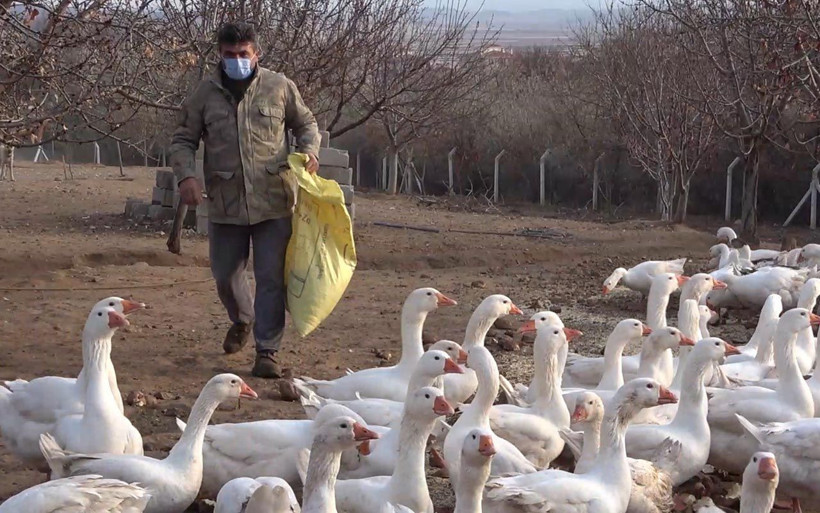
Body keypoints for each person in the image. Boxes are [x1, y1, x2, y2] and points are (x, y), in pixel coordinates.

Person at [169, 22, 320, 378]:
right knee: (225, 274)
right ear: (219, 54)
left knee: (271, 278)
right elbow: (182, 140)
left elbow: (306, 124)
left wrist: (309, 150)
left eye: (243, 54)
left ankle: (267, 350)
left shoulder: (279, 87)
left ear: (256, 54)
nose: (236, 60)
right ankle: (242, 318)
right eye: (229, 54)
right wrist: (186, 175)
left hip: (273, 200)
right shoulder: (204, 94)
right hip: (225, 202)